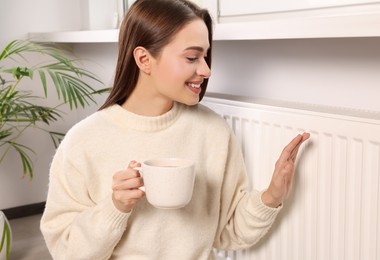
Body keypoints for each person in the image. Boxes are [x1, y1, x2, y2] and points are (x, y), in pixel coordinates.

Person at [40, 0, 310, 259]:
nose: (206, 70)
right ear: (144, 59)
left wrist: (271, 196)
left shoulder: (212, 131)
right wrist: (115, 207)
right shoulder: (83, 141)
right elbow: (67, 252)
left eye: (205, 56)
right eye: (192, 57)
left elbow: (229, 232)